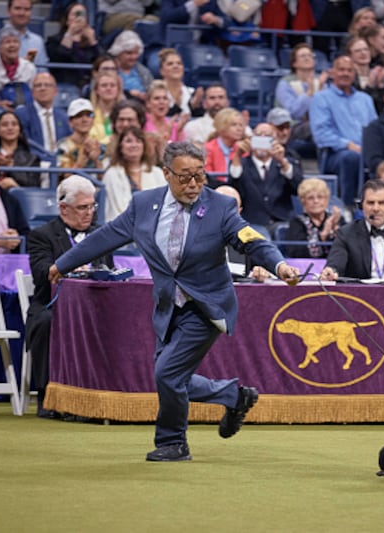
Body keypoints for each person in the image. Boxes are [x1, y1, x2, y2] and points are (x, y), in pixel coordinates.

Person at [48, 141, 300, 462]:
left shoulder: (220, 208)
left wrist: (279, 265)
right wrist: (63, 263)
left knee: (167, 375)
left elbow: (252, 240)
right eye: (184, 177)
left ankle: (173, 443)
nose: (193, 184)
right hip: (168, 307)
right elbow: (106, 236)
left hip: (207, 306)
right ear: (166, 173)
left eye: (199, 176)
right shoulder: (143, 204)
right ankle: (233, 395)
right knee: (172, 378)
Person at [26, 175, 114, 418]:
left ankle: (106, 395)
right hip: (51, 305)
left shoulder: (103, 235)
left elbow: (109, 270)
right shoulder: (41, 235)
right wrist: (70, 268)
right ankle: (48, 396)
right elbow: (43, 273)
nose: (89, 213)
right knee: (45, 323)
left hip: (95, 308)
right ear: (63, 208)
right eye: (82, 208)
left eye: (92, 206)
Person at [320, 179, 384, 281]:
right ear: (362, 206)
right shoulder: (346, 233)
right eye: (370, 203)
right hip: (358, 295)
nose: (376, 208)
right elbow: (336, 263)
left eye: (381, 203)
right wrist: (331, 271)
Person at [310, 55, 378, 206]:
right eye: (341, 70)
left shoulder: (365, 99)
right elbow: (321, 135)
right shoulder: (321, 98)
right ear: (332, 73)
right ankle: (346, 207)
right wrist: (348, 145)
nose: (345, 73)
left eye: (349, 70)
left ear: (355, 75)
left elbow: (375, 129)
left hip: (366, 152)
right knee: (351, 158)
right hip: (336, 154)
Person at [228, 122, 303, 236]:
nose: (262, 139)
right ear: (251, 139)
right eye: (258, 135)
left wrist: (283, 162)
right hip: (250, 223)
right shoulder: (239, 163)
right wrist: (238, 155)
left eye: (267, 136)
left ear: (275, 140)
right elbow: (234, 188)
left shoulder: (286, 163)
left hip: (281, 221)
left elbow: (299, 188)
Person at [103, 126, 165, 221]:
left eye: (138, 141)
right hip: (123, 228)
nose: (134, 145)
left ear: (144, 146)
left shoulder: (157, 173)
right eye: (128, 141)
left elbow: (163, 205)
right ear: (120, 147)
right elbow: (116, 210)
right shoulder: (112, 174)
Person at [0, 27, 37, 109]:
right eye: (7, 42)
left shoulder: (29, 67)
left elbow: (34, 96)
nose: (12, 45)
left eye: (15, 41)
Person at [283, 177, 344, 259]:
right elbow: (296, 253)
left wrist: (336, 230)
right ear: (303, 201)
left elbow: (348, 249)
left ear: (327, 200)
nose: (316, 201)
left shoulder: (338, 220)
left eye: (320, 197)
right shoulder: (297, 223)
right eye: (310, 198)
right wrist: (324, 234)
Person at [45, 2, 104, 84]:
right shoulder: (54, 40)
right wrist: (70, 33)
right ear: (67, 20)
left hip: (90, 85)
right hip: (66, 83)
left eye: (81, 14)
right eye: (74, 14)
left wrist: (93, 41)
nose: (78, 18)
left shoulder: (93, 41)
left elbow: (102, 62)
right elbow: (59, 58)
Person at [16, 73, 72, 157]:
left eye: (47, 85)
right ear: (32, 92)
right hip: (34, 164)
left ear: (55, 91)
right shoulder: (21, 115)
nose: (43, 88)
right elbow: (23, 146)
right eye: (38, 85)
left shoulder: (63, 117)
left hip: (61, 164)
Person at [0, 0, 49, 67]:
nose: (22, 13)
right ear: (9, 11)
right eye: (17, 8)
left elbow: (42, 71)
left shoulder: (37, 41)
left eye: (27, 9)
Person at [0, 110, 41, 189]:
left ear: (19, 130)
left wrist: (11, 168)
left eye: (14, 124)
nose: (10, 128)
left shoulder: (32, 159)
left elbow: (33, 186)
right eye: (5, 125)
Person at [183, 83, 251, 146]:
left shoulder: (242, 127)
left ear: (227, 102)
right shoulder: (193, 127)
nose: (217, 102)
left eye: (221, 97)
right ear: (204, 104)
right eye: (212, 98)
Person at [57, 98, 105, 173]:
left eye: (88, 115)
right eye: (79, 116)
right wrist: (80, 161)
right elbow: (63, 178)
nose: (84, 120)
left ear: (93, 120)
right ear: (70, 122)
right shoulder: (63, 146)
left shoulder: (99, 146)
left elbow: (103, 179)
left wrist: (96, 160)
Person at [108, 30, 153, 102]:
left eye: (136, 53)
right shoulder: (108, 69)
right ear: (118, 52)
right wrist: (128, 94)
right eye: (129, 53)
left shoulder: (144, 72)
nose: (133, 57)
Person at [204, 107, 246, 181]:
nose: (239, 129)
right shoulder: (208, 148)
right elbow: (208, 177)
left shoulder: (243, 149)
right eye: (234, 125)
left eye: (241, 125)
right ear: (221, 126)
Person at [158, 48, 202, 118]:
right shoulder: (156, 93)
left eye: (179, 63)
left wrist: (196, 107)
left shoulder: (192, 92)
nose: (176, 66)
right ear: (162, 71)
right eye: (170, 64)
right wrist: (177, 106)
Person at [144, 80, 187, 144]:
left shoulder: (175, 126)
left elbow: (180, 151)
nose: (162, 102)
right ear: (148, 103)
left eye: (165, 98)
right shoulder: (142, 121)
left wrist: (179, 132)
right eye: (156, 98)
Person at [89, 72, 125, 144]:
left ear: (118, 90)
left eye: (112, 85)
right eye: (104, 85)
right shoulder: (89, 113)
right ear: (97, 90)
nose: (108, 88)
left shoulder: (126, 114)